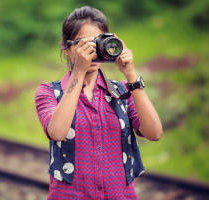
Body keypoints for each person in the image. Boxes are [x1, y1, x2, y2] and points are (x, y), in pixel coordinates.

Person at [35, 6, 163, 200]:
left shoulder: (122, 92)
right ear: (67, 48)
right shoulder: (49, 92)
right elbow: (57, 132)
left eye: (97, 42)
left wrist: (130, 75)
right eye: (83, 44)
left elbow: (154, 133)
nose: (92, 50)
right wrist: (78, 71)